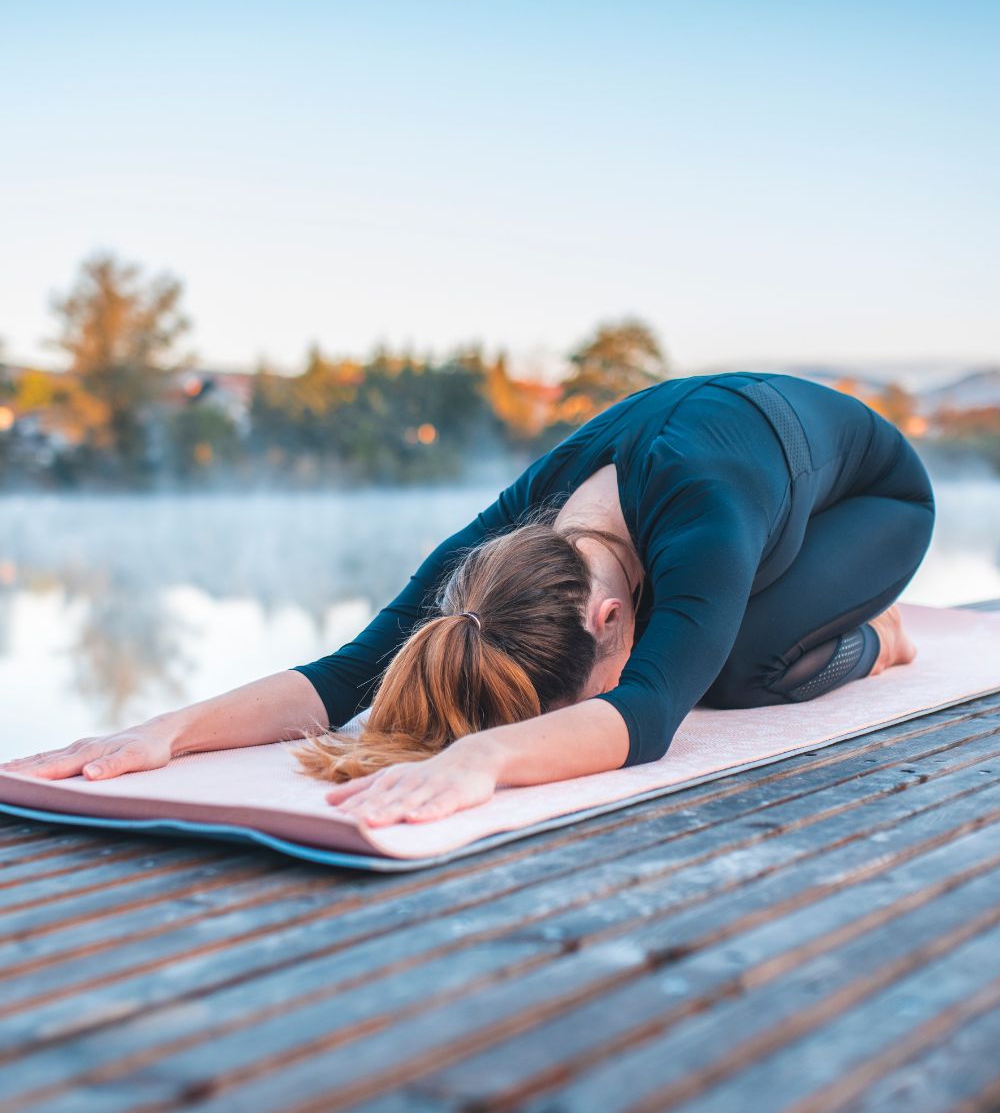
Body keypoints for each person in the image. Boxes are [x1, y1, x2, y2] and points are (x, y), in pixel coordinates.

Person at [1, 373, 934, 830]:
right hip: (747, 486)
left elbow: (642, 714)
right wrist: (169, 732)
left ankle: (876, 637)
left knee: (719, 672)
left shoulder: (707, 523)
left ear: (605, 620)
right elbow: (340, 677)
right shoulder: (494, 551)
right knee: (698, 639)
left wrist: (487, 758)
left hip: (871, 503)